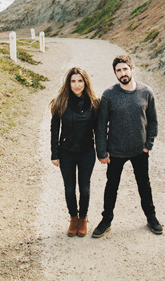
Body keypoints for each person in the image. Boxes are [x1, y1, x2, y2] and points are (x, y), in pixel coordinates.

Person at [92, 54, 162, 237]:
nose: (122, 73)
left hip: (140, 150)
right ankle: (106, 220)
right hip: (115, 151)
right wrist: (102, 151)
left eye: (125, 69)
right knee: (111, 186)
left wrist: (149, 144)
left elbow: (153, 120)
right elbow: (101, 126)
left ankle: (151, 218)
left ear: (132, 69)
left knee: (144, 185)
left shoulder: (146, 92)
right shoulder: (109, 95)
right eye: (118, 70)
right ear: (115, 73)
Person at [50, 67, 99, 237]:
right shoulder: (61, 102)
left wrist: (102, 152)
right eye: (73, 81)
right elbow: (54, 130)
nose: (77, 85)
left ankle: (83, 218)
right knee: (69, 188)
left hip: (86, 152)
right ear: (68, 83)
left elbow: (99, 131)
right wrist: (54, 154)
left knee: (84, 188)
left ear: (85, 82)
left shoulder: (93, 103)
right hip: (67, 152)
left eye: (80, 81)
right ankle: (73, 218)